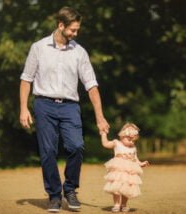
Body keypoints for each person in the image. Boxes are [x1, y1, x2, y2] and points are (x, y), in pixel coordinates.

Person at [19, 6, 109, 213]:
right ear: (61, 25)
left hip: (70, 107)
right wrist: (24, 109)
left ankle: (70, 189)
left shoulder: (79, 52)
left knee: (76, 146)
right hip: (43, 105)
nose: (75, 34)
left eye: (77, 30)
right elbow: (26, 80)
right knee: (48, 152)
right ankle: (54, 196)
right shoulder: (39, 47)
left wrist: (100, 117)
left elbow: (92, 86)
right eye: (72, 30)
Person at [100, 123, 149, 212]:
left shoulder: (133, 148)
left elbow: (135, 159)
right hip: (118, 171)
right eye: (129, 139)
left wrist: (141, 163)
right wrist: (103, 134)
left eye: (133, 140)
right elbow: (106, 144)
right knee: (116, 187)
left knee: (127, 188)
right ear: (122, 136)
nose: (131, 142)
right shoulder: (117, 143)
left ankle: (124, 204)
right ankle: (116, 204)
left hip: (129, 172)